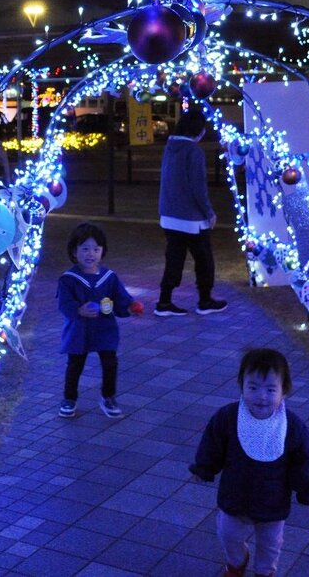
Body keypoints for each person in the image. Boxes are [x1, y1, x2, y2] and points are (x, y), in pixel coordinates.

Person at [189, 348, 309, 577]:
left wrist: (308, 489)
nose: (261, 396)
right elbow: (212, 444)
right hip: (234, 497)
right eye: (253, 387)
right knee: (227, 534)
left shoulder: (291, 426)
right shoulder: (228, 417)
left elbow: (305, 459)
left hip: (272, 503)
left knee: (270, 545)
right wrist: (204, 468)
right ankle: (236, 562)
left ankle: (265, 572)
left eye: (271, 389)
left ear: (284, 391)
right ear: (242, 386)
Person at [57, 222, 142, 419]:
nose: (91, 254)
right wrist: (79, 310)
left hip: (105, 329)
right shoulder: (69, 279)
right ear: (74, 251)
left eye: (96, 249)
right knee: (75, 365)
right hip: (79, 331)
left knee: (110, 363)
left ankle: (108, 397)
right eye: (85, 248)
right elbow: (64, 304)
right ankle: (69, 398)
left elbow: (121, 297)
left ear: (102, 251)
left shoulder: (108, 277)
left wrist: (130, 306)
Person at [155, 107, 227, 316]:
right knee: (204, 260)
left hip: (169, 216)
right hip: (191, 219)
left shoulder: (170, 147)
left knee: (174, 259)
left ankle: (164, 301)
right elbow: (198, 186)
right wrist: (209, 212)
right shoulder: (194, 151)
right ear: (197, 130)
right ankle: (205, 300)